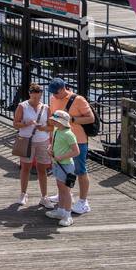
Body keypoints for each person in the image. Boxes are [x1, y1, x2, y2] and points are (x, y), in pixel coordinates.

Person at [48, 78, 95, 216]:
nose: (54, 95)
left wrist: (71, 119)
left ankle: (83, 201)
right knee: (62, 168)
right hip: (59, 139)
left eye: (56, 92)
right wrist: (52, 139)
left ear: (63, 89)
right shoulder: (53, 99)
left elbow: (90, 118)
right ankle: (63, 193)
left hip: (77, 139)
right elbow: (53, 119)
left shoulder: (78, 99)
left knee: (80, 170)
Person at [15, 83, 53, 209]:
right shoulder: (22, 106)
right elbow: (15, 124)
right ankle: (23, 193)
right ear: (30, 94)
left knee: (42, 169)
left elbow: (51, 126)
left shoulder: (46, 108)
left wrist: (42, 128)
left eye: (38, 97)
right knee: (25, 168)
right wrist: (26, 123)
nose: (36, 100)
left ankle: (44, 196)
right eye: (34, 97)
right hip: (27, 139)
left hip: (43, 140)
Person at [47, 111, 78, 227]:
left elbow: (76, 151)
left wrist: (61, 157)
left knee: (66, 191)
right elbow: (53, 144)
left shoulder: (68, 134)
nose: (53, 122)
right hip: (57, 164)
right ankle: (60, 211)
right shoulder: (56, 131)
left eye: (55, 121)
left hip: (65, 165)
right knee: (60, 189)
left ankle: (68, 215)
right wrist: (49, 149)